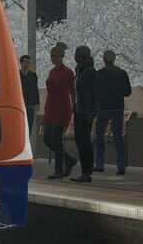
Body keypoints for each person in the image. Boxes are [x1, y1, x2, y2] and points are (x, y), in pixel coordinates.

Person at [94, 49, 133, 175]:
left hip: (103, 108)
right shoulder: (122, 73)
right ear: (114, 59)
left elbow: (95, 91)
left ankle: (99, 164)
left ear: (104, 60)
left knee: (99, 136)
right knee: (118, 137)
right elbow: (128, 91)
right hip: (117, 107)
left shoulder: (99, 74)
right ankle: (121, 166)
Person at [43, 43, 76, 179]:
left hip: (62, 108)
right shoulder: (52, 72)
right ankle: (69, 160)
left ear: (61, 57)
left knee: (56, 139)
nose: (52, 59)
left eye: (54, 56)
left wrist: (74, 107)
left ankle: (58, 169)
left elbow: (73, 91)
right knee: (47, 139)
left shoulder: (68, 73)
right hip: (51, 107)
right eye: (51, 56)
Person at [70, 45, 97, 183]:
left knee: (84, 141)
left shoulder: (90, 72)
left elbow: (93, 93)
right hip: (78, 110)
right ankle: (85, 171)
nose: (74, 56)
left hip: (85, 111)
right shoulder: (80, 71)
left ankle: (87, 171)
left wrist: (91, 111)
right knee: (80, 140)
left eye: (77, 53)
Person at [19, 55, 40, 140]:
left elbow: (35, 89)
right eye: (26, 63)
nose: (27, 65)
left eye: (28, 63)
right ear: (21, 63)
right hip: (21, 104)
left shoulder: (33, 76)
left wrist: (37, 102)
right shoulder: (17, 75)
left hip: (31, 104)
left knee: (29, 126)